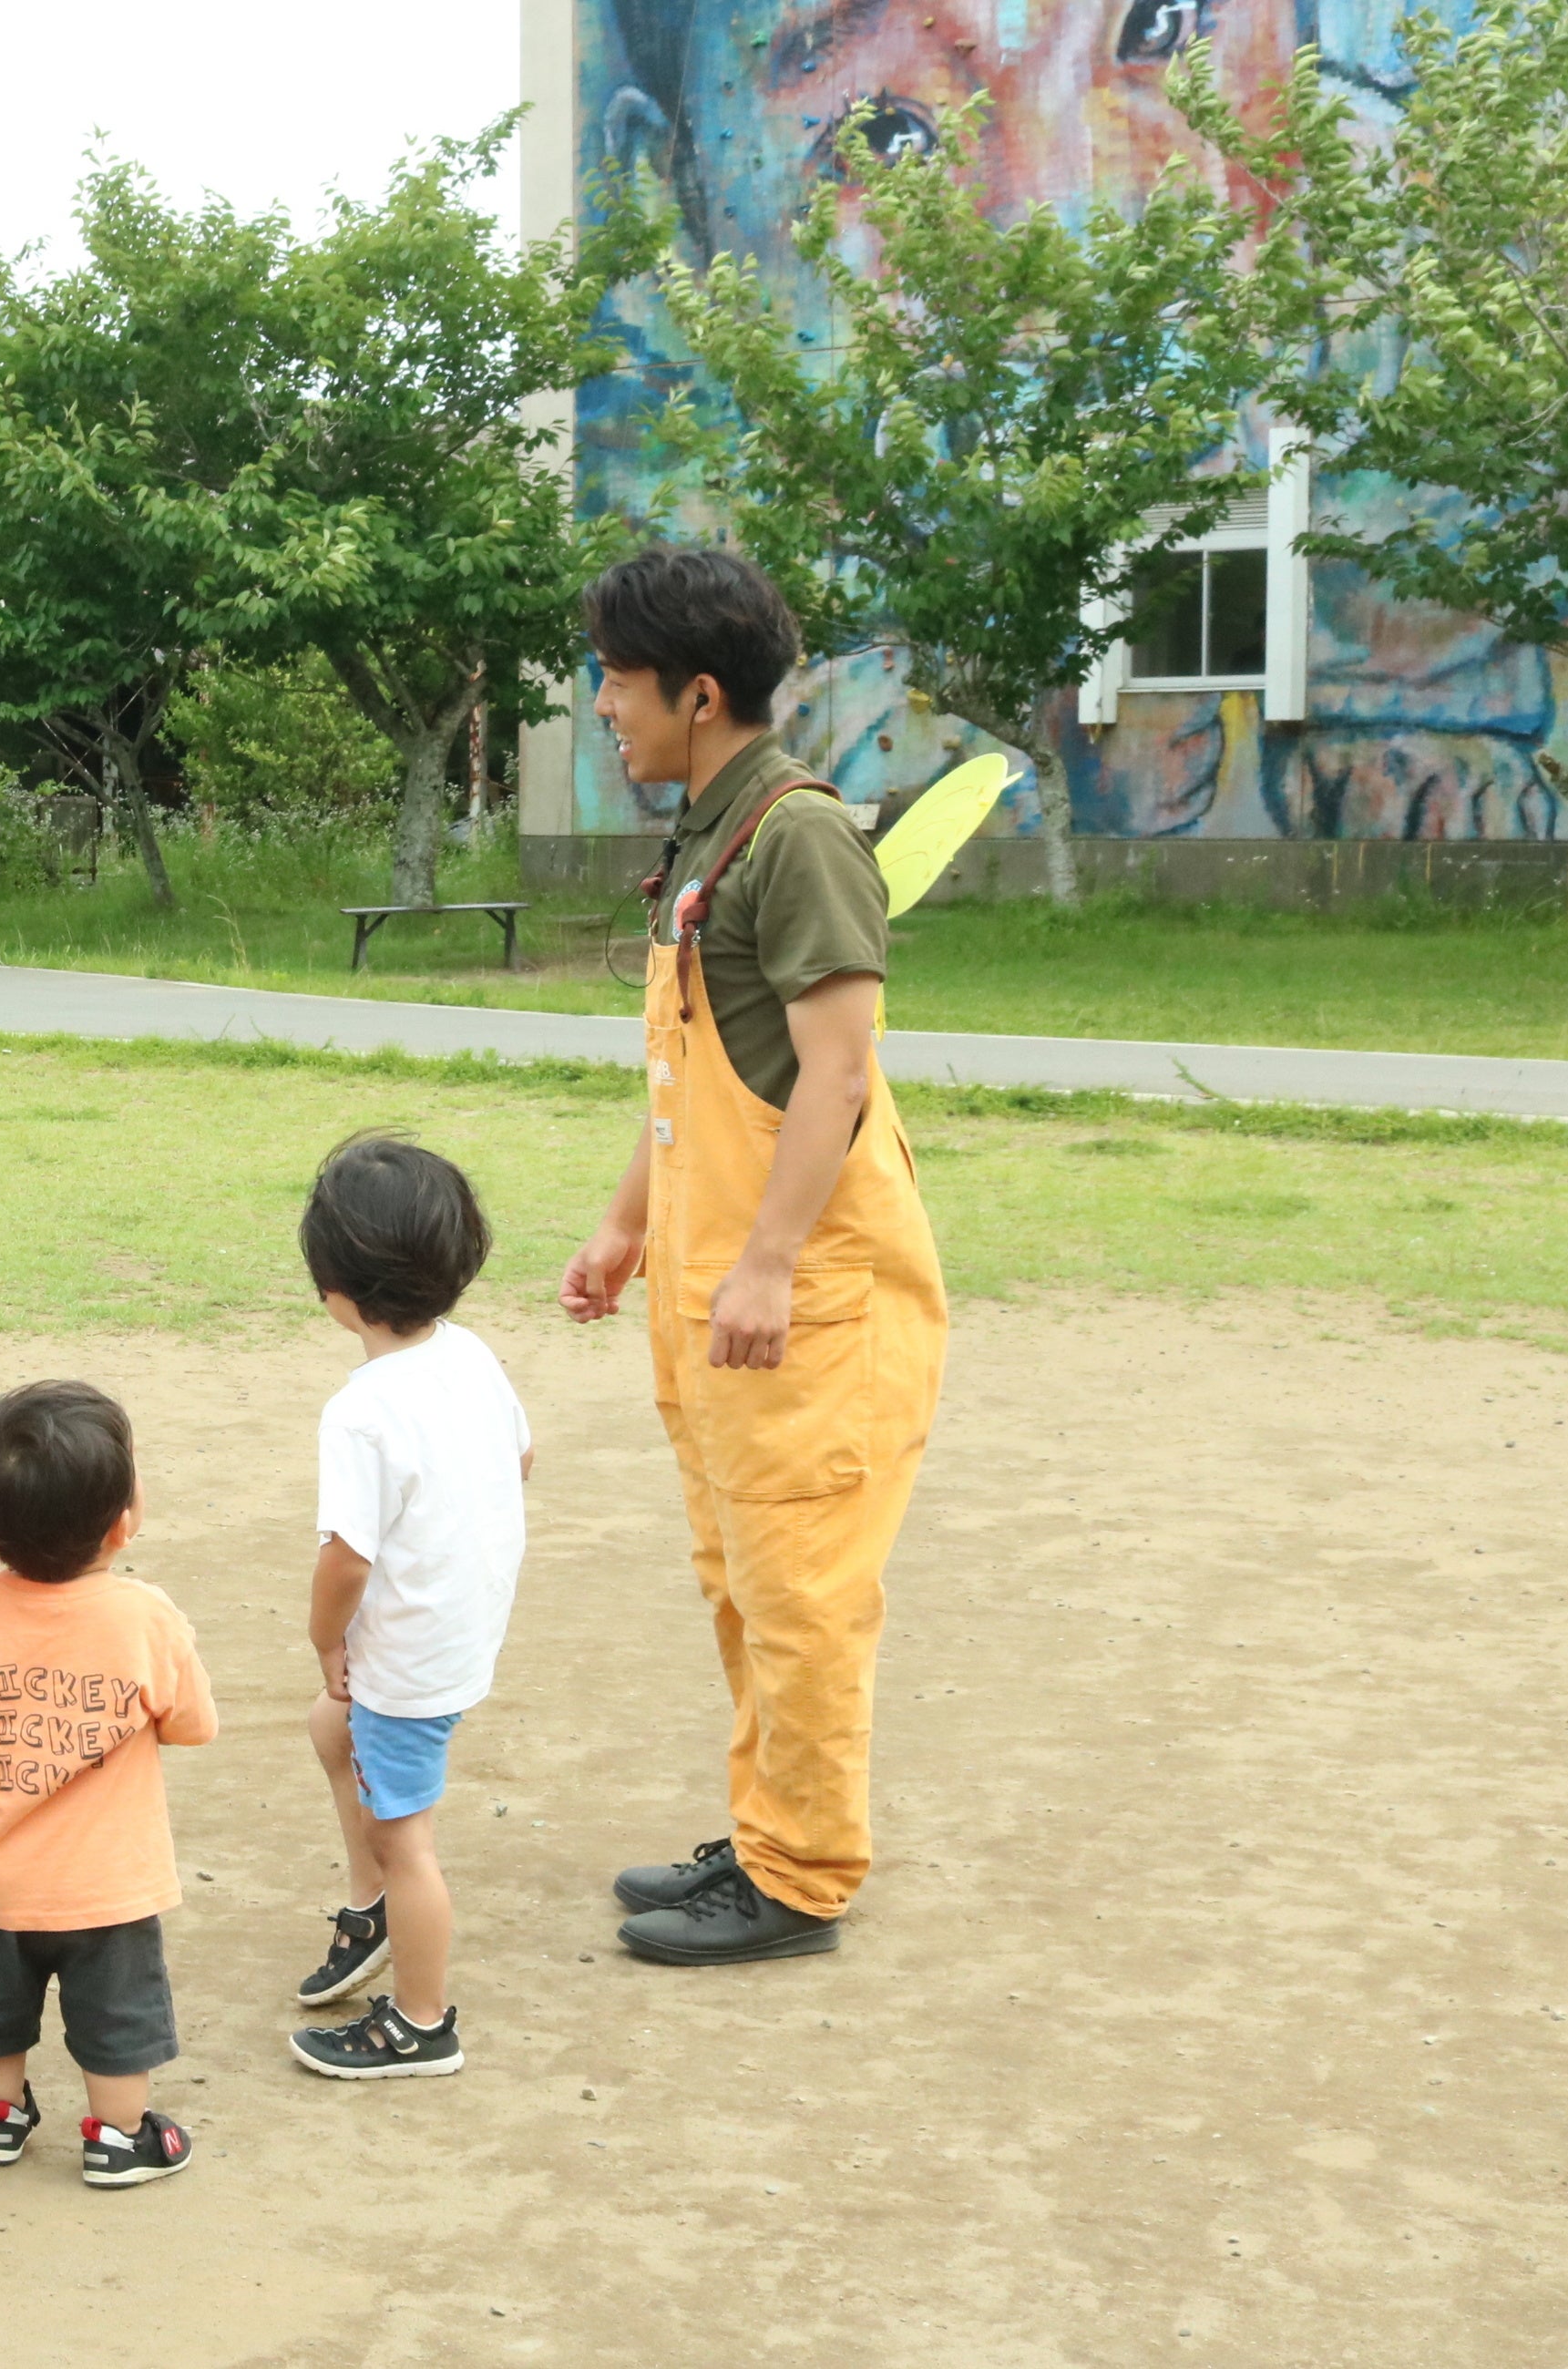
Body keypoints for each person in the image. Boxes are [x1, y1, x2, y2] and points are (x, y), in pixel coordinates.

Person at [556, 547, 949, 1966]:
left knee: (802, 1595)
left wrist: (773, 1260)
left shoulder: (798, 837)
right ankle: (766, 1817)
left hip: (805, 1307)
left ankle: (801, 1873)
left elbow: (838, 1075)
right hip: (713, 1294)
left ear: (698, 691)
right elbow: (698, 1074)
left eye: (616, 677)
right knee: (743, 1579)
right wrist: (627, 1224)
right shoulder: (711, 836)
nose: (604, 704)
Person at [0, 1381, 218, 2190]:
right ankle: (120, 2137)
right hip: (106, 1887)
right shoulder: (144, 1616)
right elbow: (194, 1724)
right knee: (115, 2022)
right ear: (123, 1518)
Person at [282, 1133, 531, 2079]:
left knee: (407, 1835)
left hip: (409, 1656)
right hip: (463, 1625)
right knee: (328, 1728)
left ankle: (422, 2021)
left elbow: (345, 1558)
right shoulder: (468, 1352)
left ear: (333, 1289)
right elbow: (519, 1457)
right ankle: (372, 1902)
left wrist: (325, 1636)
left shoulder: (362, 1409)